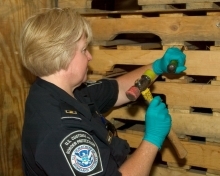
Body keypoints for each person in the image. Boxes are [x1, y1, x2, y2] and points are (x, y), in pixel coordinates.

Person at [20, 8, 186, 176]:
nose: (90, 56)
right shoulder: (60, 131)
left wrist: (157, 67)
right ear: (63, 55)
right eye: (84, 50)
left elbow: (119, 89)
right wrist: (153, 139)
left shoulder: (61, 91)